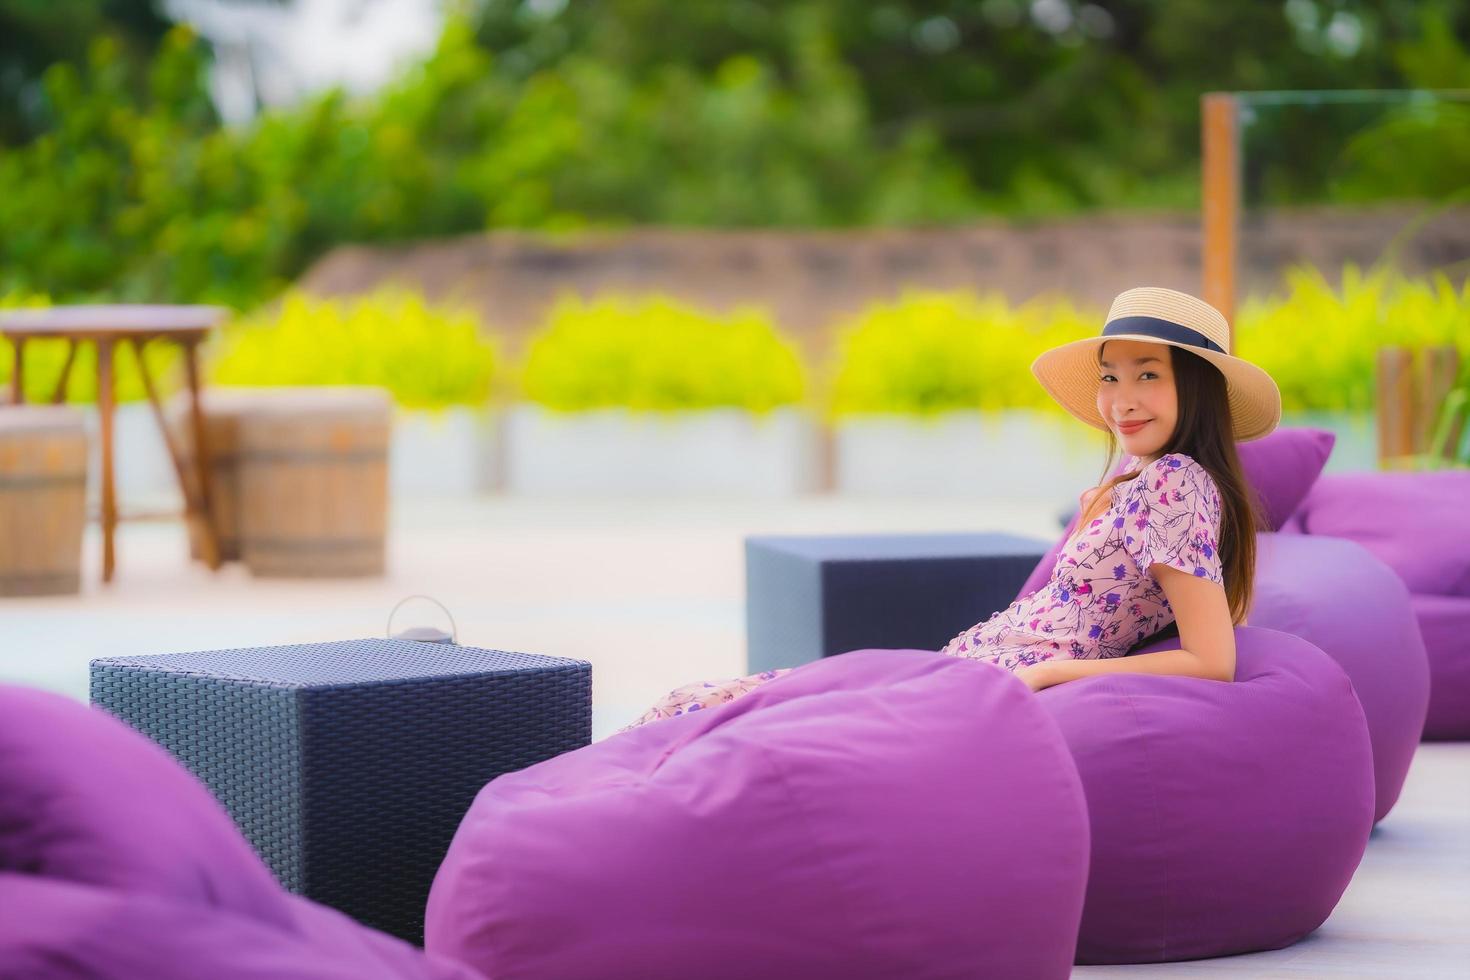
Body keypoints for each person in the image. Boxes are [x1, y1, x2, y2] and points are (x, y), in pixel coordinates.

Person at [621, 286, 1281, 731]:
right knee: (738, 702)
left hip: (991, 684)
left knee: (720, 708)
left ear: (1193, 389)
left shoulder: (1176, 484)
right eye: (1111, 375)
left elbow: (1211, 659)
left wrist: (1051, 672)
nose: (1120, 399)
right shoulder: (1140, 473)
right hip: (970, 664)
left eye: (1148, 374)